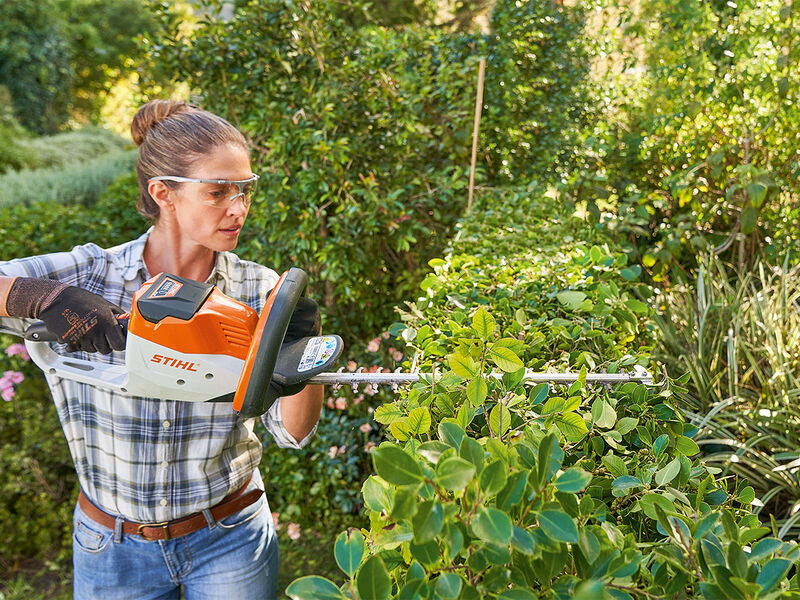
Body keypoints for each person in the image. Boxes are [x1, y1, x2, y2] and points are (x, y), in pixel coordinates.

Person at [0, 99, 324, 599]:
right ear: (162, 192)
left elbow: (292, 431)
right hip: (113, 547)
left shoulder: (257, 291)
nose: (237, 208)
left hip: (230, 538)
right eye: (218, 192)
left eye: (244, 190)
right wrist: (41, 295)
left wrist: (303, 360)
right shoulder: (94, 276)